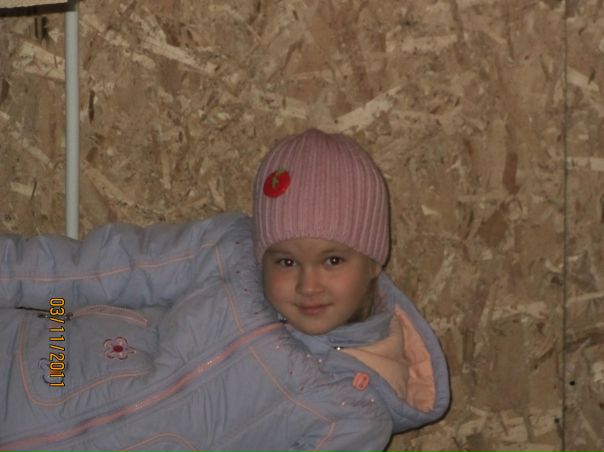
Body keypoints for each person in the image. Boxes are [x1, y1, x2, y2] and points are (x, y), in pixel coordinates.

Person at [0, 128, 449, 451]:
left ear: (373, 261)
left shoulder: (352, 417)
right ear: (261, 254)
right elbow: (103, 267)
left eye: (333, 260)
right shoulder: (228, 257)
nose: (308, 285)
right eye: (286, 261)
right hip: (22, 359)